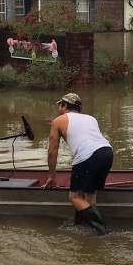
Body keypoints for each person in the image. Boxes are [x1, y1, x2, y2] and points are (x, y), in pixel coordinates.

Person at [42, 93, 113, 235]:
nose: (59, 108)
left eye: (60, 105)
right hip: (107, 152)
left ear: (65, 106)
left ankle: (104, 232)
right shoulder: (91, 118)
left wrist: (52, 176)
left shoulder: (58, 120)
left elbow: (52, 151)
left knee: (74, 197)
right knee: (89, 194)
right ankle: (84, 228)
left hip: (88, 155)